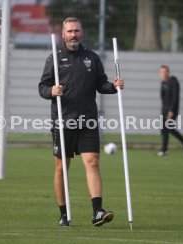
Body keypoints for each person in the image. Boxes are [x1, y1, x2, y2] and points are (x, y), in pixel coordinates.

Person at [39, 17, 124, 227]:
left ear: (81, 33)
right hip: (63, 120)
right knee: (61, 168)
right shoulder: (54, 58)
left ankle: (97, 212)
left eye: (76, 31)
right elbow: (42, 87)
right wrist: (51, 91)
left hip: (88, 120)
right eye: (69, 31)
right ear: (63, 34)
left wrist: (113, 86)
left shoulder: (92, 58)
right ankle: (63, 214)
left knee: (93, 162)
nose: (73, 35)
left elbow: (100, 85)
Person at [158, 65, 183, 156]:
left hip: (171, 110)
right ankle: (164, 150)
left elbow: (175, 97)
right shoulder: (163, 83)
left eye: (164, 72)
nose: (163, 74)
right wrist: (164, 109)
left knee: (170, 129)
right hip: (164, 110)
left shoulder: (174, 82)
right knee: (163, 130)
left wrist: (171, 110)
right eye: (161, 72)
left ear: (168, 72)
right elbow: (162, 97)